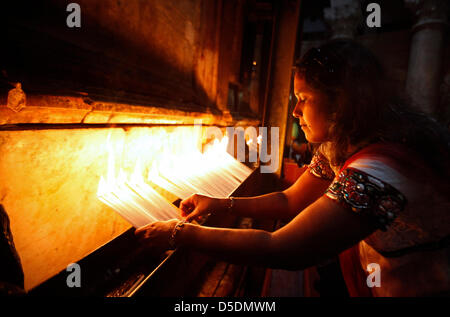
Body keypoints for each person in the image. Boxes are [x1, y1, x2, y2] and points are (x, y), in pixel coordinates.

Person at [136, 40, 450, 297]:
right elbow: (289, 201)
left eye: (303, 98)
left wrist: (181, 233)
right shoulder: (339, 148)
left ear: (341, 103)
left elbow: (283, 249)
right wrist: (218, 203)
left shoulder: (379, 172)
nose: (295, 110)